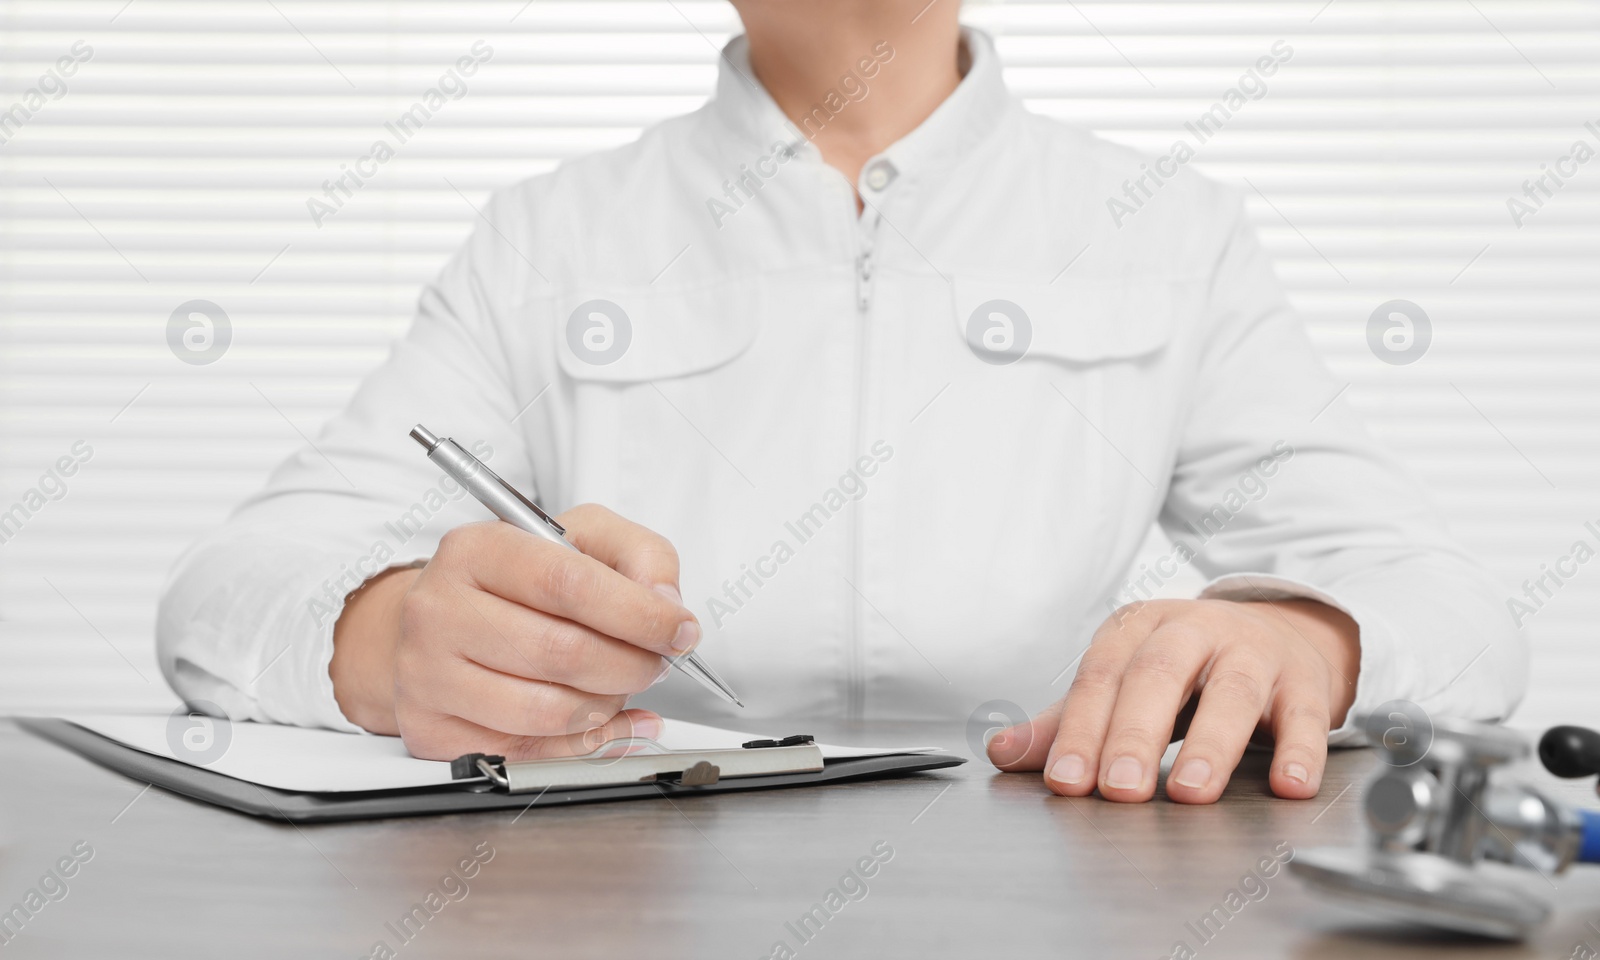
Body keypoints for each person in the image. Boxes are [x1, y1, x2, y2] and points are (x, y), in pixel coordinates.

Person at [156, 0, 1525, 804]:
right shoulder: (548, 236)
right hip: (621, 915)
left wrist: (1316, 636)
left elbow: (1448, 608)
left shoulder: (1169, 229)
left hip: (1057, 895)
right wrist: (384, 636)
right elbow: (224, 595)